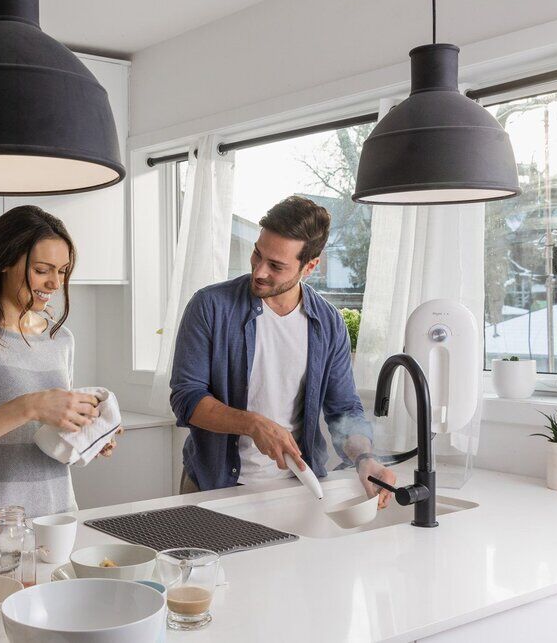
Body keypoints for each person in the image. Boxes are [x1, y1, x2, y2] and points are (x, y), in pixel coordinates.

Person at [170, 196, 396, 506]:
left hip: (296, 489)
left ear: (311, 266)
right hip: (213, 484)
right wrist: (253, 423)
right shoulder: (209, 306)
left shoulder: (328, 323)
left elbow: (344, 409)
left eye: (276, 265)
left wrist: (366, 459)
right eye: (257, 254)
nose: (259, 271)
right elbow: (186, 399)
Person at [0, 205, 119, 530]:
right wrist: (31, 406)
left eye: (63, 270)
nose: (55, 283)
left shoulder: (61, 338)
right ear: (4, 262)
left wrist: (91, 434)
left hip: (57, 524)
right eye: (43, 269)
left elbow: (50, 435)